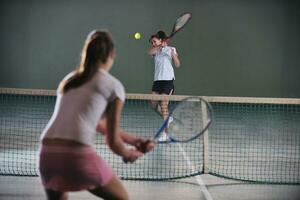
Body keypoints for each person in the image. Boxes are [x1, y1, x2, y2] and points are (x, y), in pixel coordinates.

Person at [38, 30, 153, 200]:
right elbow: (113, 142)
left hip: (47, 155)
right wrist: (128, 154)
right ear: (112, 54)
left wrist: (135, 141)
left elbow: (100, 125)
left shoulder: (69, 80)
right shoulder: (114, 86)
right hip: (77, 156)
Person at [147, 30, 180, 141]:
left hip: (167, 81)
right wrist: (159, 46)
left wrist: (172, 53)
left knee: (163, 105)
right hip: (157, 81)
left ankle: (166, 134)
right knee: (153, 105)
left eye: (154, 41)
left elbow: (177, 64)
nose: (152, 43)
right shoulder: (156, 51)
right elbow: (149, 52)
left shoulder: (171, 49)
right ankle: (168, 118)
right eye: (151, 42)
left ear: (160, 40)